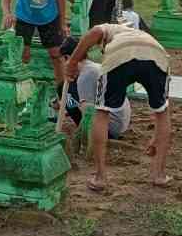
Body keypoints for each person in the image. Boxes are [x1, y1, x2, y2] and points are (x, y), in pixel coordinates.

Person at [64, 21, 173, 193]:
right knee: (162, 112)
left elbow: (93, 33)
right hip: (157, 54)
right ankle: (158, 174)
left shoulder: (109, 29)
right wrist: (156, 138)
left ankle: (100, 177)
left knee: (101, 112)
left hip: (121, 55)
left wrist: (72, 61)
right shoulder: (142, 35)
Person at [1, 0, 68, 94]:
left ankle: (62, 95)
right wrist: (7, 13)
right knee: (23, 56)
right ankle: (24, 94)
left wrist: (62, 23)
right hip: (25, 16)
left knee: (56, 55)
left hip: (50, 16)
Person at [59, 37, 131, 139]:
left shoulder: (85, 76)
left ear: (67, 57)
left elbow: (88, 112)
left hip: (109, 129)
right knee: (69, 94)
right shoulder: (93, 67)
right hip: (120, 122)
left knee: (66, 92)